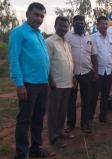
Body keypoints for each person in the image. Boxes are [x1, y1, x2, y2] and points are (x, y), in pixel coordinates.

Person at [8, 2, 55, 158]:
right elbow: (14, 59)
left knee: (38, 119)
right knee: (24, 120)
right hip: (28, 84)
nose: (39, 18)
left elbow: (43, 59)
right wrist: (20, 85)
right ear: (27, 14)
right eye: (36, 14)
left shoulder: (38, 34)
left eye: (42, 16)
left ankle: (35, 148)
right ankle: (21, 154)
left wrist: (48, 80)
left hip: (42, 84)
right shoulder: (19, 32)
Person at [46, 16, 75, 148]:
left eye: (65, 26)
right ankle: (54, 137)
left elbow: (70, 62)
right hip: (56, 84)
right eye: (61, 25)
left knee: (63, 110)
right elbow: (46, 64)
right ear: (55, 26)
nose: (63, 28)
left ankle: (61, 131)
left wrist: (73, 77)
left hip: (67, 82)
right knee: (53, 111)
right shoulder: (49, 42)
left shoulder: (66, 43)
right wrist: (50, 79)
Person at [65, 15, 98, 133]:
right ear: (73, 24)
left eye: (82, 23)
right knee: (71, 100)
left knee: (86, 99)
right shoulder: (67, 36)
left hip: (87, 72)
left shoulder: (90, 38)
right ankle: (71, 124)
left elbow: (94, 55)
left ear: (85, 24)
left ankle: (85, 123)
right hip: (71, 73)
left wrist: (96, 72)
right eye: (77, 22)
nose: (80, 24)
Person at [91, 16, 112, 123]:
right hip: (97, 73)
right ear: (97, 25)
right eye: (102, 24)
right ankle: (90, 117)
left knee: (105, 96)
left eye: (105, 24)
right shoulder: (92, 38)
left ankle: (103, 116)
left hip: (108, 71)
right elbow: (89, 54)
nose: (104, 26)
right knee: (93, 96)